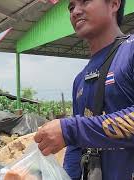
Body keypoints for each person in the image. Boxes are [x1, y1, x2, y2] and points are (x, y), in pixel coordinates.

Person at [34, 0, 133, 180]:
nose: (75, 12)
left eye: (85, 1)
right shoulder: (79, 80)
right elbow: (75, 147)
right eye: (71, 7)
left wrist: (71, 129)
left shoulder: (131, 51)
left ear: (114, 4)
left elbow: (74, 133)